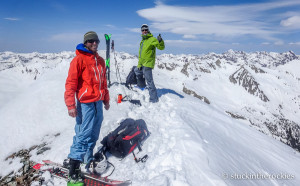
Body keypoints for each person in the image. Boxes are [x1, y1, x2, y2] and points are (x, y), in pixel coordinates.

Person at [64, 31, 110, 185]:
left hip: (98, 103)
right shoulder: (79, 60)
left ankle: (87, 159)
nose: (94, 44)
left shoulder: (101, 61)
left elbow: (103, 83)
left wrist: (106, 100)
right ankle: (73, 171)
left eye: (96, 41)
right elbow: (70, 84)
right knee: (83, 135)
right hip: (85, 104)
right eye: (91, 41)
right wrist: (71, 105)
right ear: (85, 43)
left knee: (94, 133)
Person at [134, 24, 165, 103]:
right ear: (141, 31)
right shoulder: (143, 41)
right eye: (143, 30)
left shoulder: (152, 39)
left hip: (148, 64)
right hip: (142, 63)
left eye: (146, 30)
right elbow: (141, 55)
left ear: (148, 30)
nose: (144, 31)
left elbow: (161, 47)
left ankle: (154, 99)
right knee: (136, 71)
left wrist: (160, 41)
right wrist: (139, 64)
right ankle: (141, 86)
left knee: (149, 81)